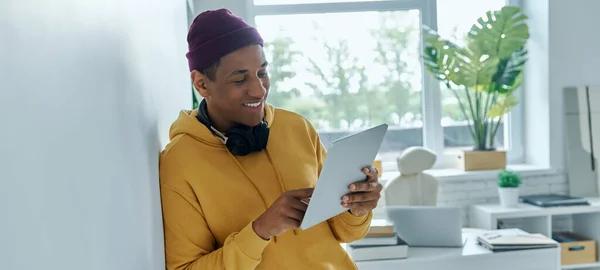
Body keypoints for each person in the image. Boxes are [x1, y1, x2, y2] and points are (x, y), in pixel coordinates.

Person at [159, 8, 383, 270]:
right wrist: (259, 231)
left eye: (262, 72)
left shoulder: (297, 127)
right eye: (240, 78)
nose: (258, 89)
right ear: (201, 84)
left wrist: (357, 209)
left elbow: (346, 233)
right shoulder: (180, 162)